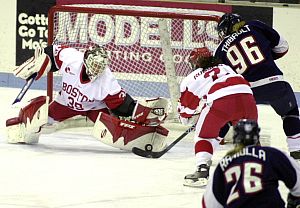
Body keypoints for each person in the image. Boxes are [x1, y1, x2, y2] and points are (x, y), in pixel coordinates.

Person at [6, 44, 170, 152]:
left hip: (94, 108)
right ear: (85, 61)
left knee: (116, 130)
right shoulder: (72, 58)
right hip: (66, 103)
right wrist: (41, 61)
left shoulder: (107, 80)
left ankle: (144, 137)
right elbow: (51, 53)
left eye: (100, 66)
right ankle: (21, 127)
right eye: (94, 65)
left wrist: (143, 112)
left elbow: (123, 105)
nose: (97, 70)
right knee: (38, 118)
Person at [214, 13, 300, 160]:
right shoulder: (255, 26)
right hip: (274, 83)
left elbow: (223, 79)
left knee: (233, 118)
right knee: (290, 112)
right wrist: (265, 58)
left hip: (246, 91)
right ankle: (296, 149)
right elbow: (282, 47)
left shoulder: (220, 49)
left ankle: (206, 152)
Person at [177, 47, 258, 187]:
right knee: (247, 139)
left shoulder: (192, 77)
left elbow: (185, 112)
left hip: (222, 102)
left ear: (195, 63)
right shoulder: (225, 67)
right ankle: (256, 174)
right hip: (247, 97)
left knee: (204, 137)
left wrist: (189, 116)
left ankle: (202, 171)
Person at [202, 119, 300, 208]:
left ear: (236, 139)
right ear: (257, 137)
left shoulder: (225, 162)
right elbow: (298, 184)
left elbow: (209, 203)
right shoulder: (272, 154)